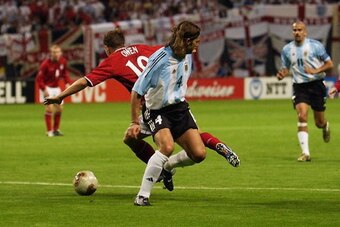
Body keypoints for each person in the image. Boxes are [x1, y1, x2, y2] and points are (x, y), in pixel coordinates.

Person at [44, 28, 240, 191]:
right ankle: (212, 146)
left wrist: (60, 96)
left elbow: (84, 82)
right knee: (191, 137)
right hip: (174, 99)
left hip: (152, 107)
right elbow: (168, 51)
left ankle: (159, 174)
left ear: (106, 48)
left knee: (133, 138)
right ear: (124, 42)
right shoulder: (143, 48)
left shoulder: (112, 61)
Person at [129, 21, 234, 206]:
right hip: (157, 110)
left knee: (199, 154)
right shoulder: (160, 59)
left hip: (179, 108)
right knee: (166, 147)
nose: (198, 44)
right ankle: (142, 196)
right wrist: (134, 122)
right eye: (196, 41)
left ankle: (167, 166)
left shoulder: (187, 55)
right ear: (186, 40)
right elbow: (137, 91)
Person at [276, 21, 333, 162]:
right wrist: (282, 74)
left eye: (300, 30)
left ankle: (325, 125)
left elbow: (329, 64)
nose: (297, 32)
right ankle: (305, 153)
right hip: (300, 86)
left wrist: (315, 70)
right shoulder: (287, 49)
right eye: (294, 30)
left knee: (318, 122)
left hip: (317, 85)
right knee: (302, 115)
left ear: (305, 32)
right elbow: (286, 68)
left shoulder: (315, 46)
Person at [36, 44, 73, 137]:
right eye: (54, 52)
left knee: (60, 109)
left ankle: (56, 130)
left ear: (60, 53)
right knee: (49, 108)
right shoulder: (45, 64)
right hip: (47, 88)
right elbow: (39, 78)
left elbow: (65, 74)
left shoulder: (63, 61)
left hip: (56, 88)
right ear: (51, 53)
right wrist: (43, 89)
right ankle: (49, 131)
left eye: (57, 52)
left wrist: (68, 83)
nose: (56, 54)